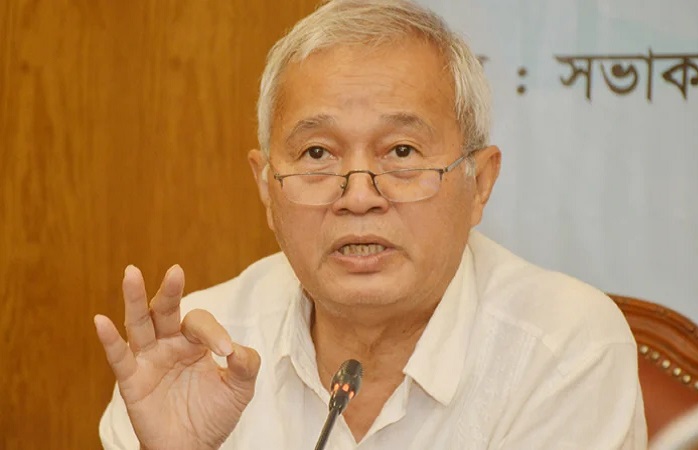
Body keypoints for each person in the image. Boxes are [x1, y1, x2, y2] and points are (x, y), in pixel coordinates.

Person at [95, 0, 647, 448]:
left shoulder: (562, 349)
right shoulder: (192, 356)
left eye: (401, 151)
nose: (358, 197)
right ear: (266, 186)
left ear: (478, 183)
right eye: (317, 154)